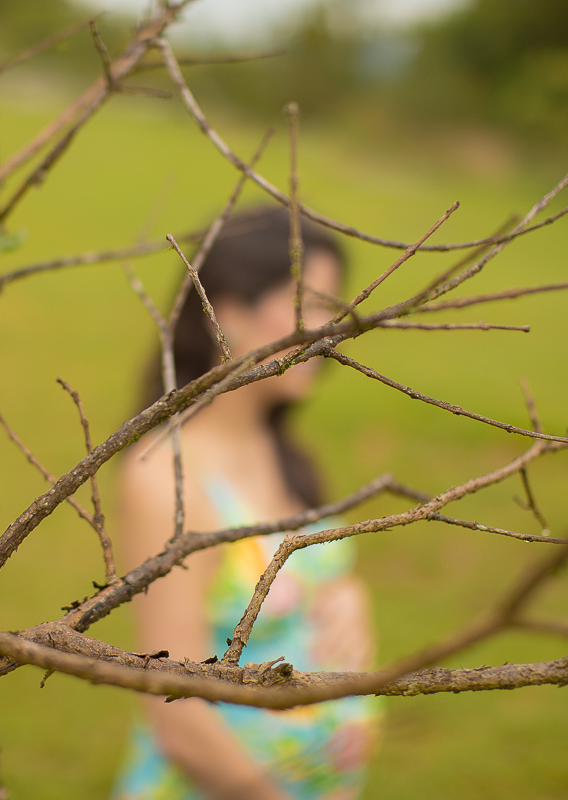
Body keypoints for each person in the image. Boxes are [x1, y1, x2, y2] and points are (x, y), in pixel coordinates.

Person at [112, 207, 380, 800]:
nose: (329, 332)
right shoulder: (167, 479)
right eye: (308, 305)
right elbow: (176, 708)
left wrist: (345, 594)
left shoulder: (275, 442)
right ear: (226, 313)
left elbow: (303, 577)